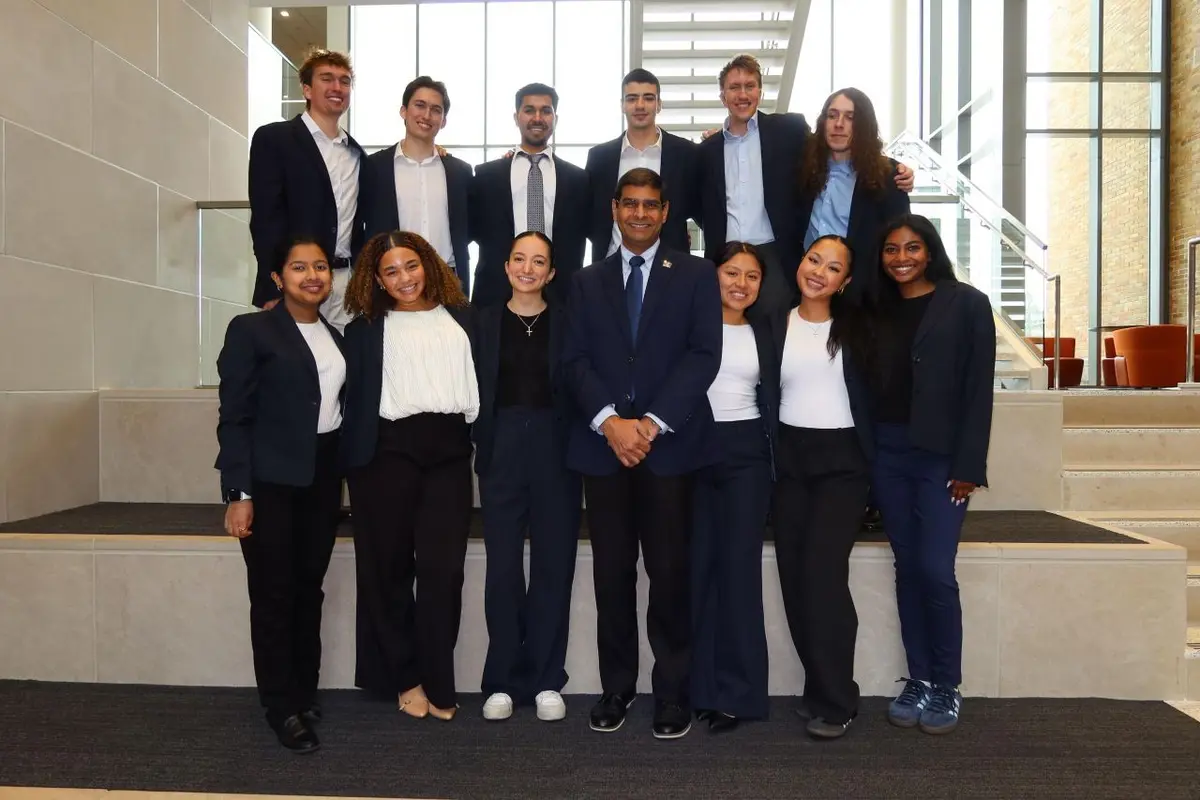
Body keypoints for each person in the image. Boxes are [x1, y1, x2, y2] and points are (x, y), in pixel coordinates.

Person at [563, 167, 722, 740]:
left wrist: (649, 426)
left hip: (668, 450)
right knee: (612, 575)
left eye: (649, 204)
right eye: (629, 203)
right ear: (614, 208)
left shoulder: (698, 274)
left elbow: (704, 356)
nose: (639, 213)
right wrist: (611, 423)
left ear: (666, 211)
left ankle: (672, 693)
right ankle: (617, 687)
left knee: (670, 574)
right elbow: (574, 361)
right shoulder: (586, 281)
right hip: (603, 450)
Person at [338, 231, 478, 722]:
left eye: (411, 266)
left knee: (444, 573)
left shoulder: (463, 319)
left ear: (430, 265)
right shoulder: (361, 331)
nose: (405, 278)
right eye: (391, 271)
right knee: (388, 571)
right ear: (375, 279)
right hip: (384, 454)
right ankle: (404, 677)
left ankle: (439, 678)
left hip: (449, 454)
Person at [215, 236, 346, 753]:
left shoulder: (334, 334)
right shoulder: (252, 330)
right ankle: (281, 707)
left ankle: (303, 689)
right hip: (269, 484)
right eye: (299, 267)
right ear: (277, 277)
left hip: (319, 482)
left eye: (319, 267)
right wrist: (238, 491)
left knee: (308, 589)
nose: (312, 275)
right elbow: (235, 416)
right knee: (272, 595)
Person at [868, 214, 995, 735]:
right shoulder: (875, 308)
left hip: (942, 458)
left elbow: (978, 389)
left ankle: (947, 683)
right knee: (906, 566)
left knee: (936, 569)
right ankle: (917, 676)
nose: (901, 257)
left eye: (912, 248)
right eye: (892, 249)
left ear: (930, 251)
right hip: (888, 453)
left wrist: (969, 465)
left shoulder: (966, 303)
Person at [696, 55, 914, 316]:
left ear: (760, 91)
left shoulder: (789, 131)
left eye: (750, 86)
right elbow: (701, 205)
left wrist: (901, 168)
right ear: (723, 96)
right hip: (734, 256)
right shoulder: (709, 150)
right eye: (734, 87)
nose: (839, 125)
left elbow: (898, 235)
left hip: (814, 271)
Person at [473, 231, 582, 723]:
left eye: (539, 261)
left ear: (552, 272)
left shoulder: (570, 321)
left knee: (553, 568)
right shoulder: (481, 321)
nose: (527, 268)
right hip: (500, 451)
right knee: (502, 571)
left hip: (556, 452)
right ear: (505, 265)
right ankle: (501, 680)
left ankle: (545, 680)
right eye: (519, 258)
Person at [770, 234, 875, 740]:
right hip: (788, 461)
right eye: (814, 259)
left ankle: (838, 699)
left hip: (843, 464)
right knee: (794, 577)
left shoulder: (859, 329)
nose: (818, 271)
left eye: (832, 268)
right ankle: (818, 687)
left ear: (845, 281)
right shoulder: (773, 324)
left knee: (823, 576)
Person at [690, 242, 777, 734]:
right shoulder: (689, 325)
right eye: (731, 272)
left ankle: (739, 695)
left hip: (746, 453)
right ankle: (700, 690)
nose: (740, 284)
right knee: (698, 571)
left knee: (739, 574)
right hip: (692, 449)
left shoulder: (767, 331)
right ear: (713, 274)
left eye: (751, 276)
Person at [248, 49, 367, 331]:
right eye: (327, 79)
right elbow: (265, 220)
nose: (337, 87)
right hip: (294, 284)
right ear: (307, 89)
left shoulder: (356, 154)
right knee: (293, 371)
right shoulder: (274, 139)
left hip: (344, 287)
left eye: (345, 81)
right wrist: (274, 285)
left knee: (343, 369)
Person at [470, 83, 589, 308]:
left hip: (562, 297)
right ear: (516, 117)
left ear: (555, 118)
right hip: (496, 296)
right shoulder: (487, 176)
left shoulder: (578, 180)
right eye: (529, 110)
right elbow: (472, 230)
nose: (537, 117)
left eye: (546, 110)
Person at [797, 88, 911, 304]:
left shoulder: (889, 176)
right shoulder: (804, 167)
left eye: (850, 117)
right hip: (805, 290)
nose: (839, 124)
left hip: (861, 297)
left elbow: (897, 241)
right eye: (832, 115)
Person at [362, 76, 473, 294]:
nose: (426, 115)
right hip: (393, 283)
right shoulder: (373, 167)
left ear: (443, 120)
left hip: (447, 281)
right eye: (419, 105)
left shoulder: (460, 172)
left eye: (436, 109)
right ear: (404, 111)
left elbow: (469, 228)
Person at [585, 68, 697, 262]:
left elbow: (700, 209)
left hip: (671, 269)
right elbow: (588, 217)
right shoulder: (599, 158)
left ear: (659, 104)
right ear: (622, 105)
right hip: (611, 268)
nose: (639, 105)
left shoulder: (686, 154)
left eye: (648, 98)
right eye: (631, 98)